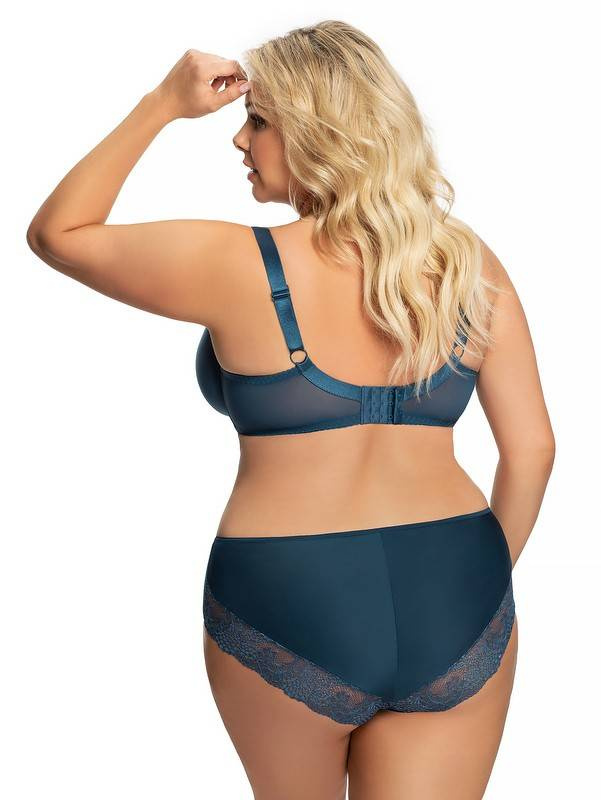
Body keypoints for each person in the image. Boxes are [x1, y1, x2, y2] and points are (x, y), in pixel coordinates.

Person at [26, 21, 555, 800]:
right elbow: (533, 450)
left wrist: (162, 103)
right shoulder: (463, 262)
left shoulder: (236, 262)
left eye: (258, 121)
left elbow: (58, 233)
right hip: (453, 585)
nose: (240, 140)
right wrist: (467, 588)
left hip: (289, 595)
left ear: (315, 130)